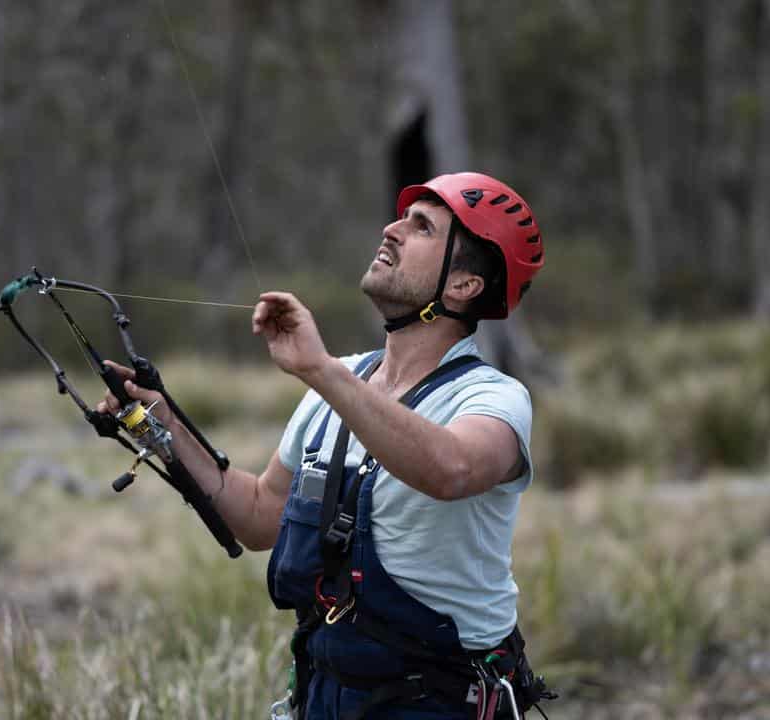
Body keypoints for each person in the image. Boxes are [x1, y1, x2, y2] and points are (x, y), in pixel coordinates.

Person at [99, 172, 549, 719]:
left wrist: (320, 372)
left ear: (462, 287)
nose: (392, 229)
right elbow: (262, 514)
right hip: (322, 697)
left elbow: (453, 469)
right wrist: (158, 423)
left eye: (422, 227)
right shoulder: (343, 383)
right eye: (403, 218)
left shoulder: (495, 398)